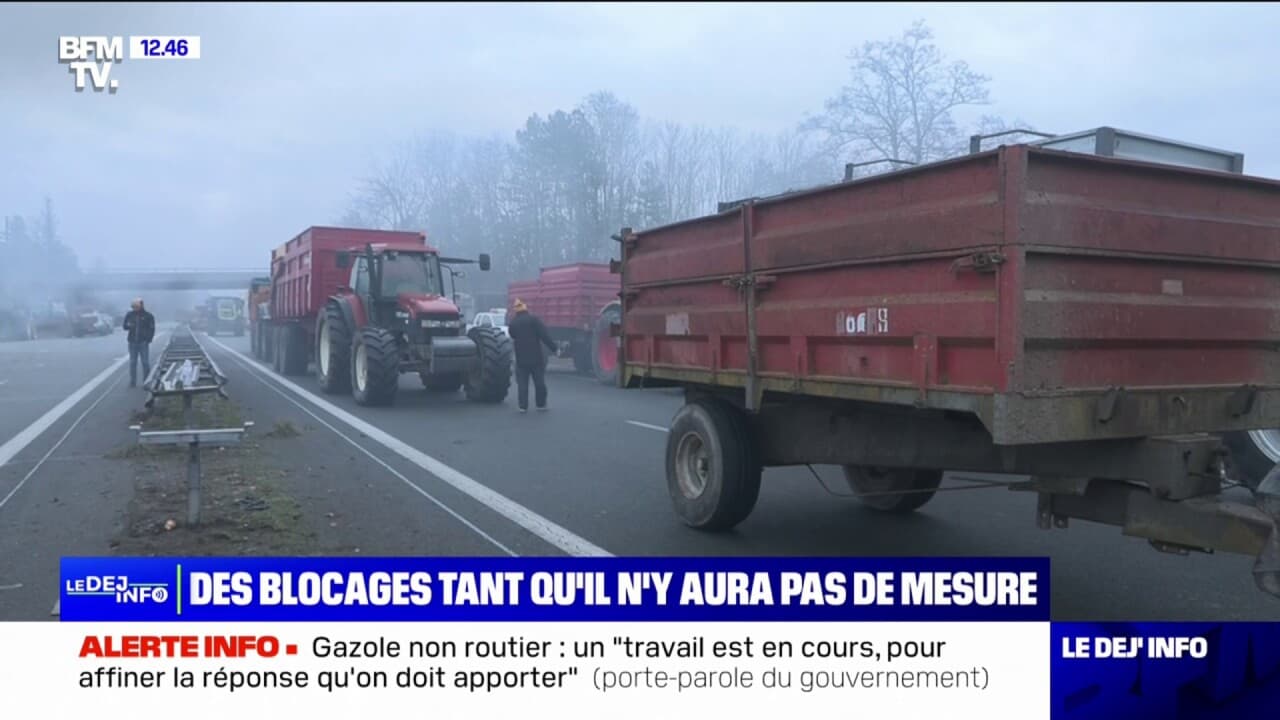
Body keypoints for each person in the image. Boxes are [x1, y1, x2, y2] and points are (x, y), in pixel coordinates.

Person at [506, 299, 557, 412]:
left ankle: (523, 406)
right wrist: (554, 348)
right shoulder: (534, 320)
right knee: (539, 383)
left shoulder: (513, 323)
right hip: (536, 358)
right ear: (525, 307)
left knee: (522, 384)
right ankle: (541, 404)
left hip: (521, 359)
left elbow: (512, 335)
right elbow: (544, 336)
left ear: (516, 310)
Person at [122, 298, 156, 387]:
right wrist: (129, 326)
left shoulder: (148, 316)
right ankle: (133, 381)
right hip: (132, 342)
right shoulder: (129, 315)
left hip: (143, 342)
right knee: (133, 362)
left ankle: (146, 381)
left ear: (141, 305)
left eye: (136, 306)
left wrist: (148, 339)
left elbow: (152, 329)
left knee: (145, 362)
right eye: (133, 307)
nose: (134, 308)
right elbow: (124, 326)